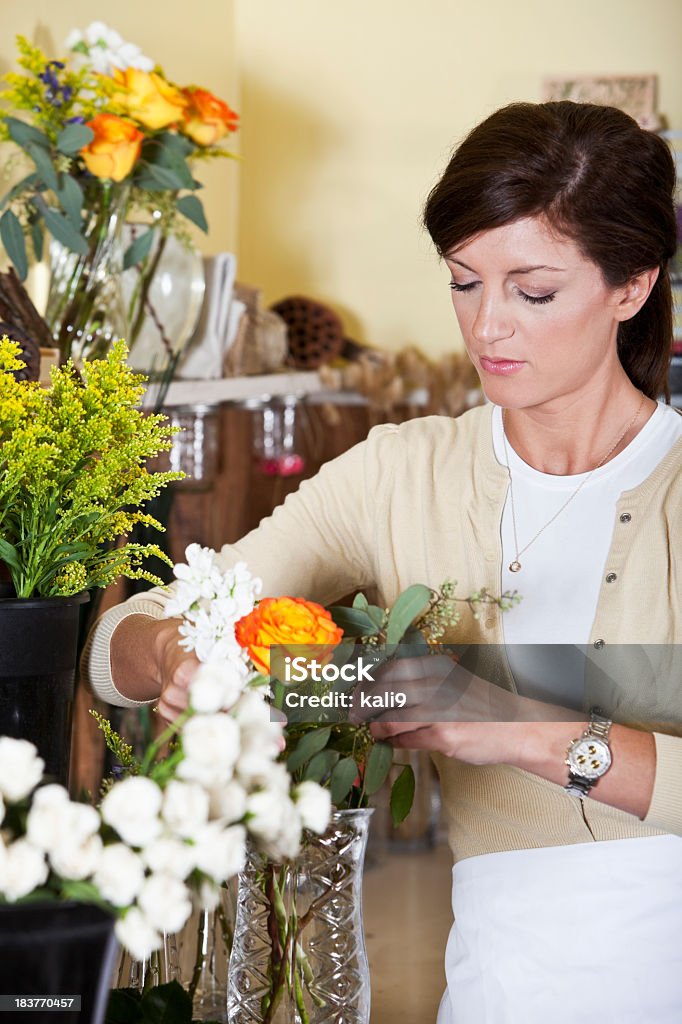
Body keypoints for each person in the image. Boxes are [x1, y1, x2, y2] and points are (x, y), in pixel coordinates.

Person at [85, 101, 682, 1022]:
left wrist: (519, 727)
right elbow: (121, 645)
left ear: (633, 284)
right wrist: (175, 655)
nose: (488, 328)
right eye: (462, 281)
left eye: (532, 292)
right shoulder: (402, 475)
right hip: (500, 989)